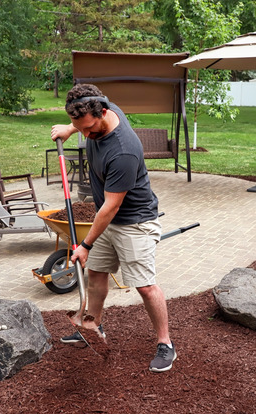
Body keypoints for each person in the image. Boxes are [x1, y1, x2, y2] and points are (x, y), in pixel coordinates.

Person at [50, 83, 176, 373]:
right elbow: (82, 122)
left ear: (103, 113)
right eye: (78, 128)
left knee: (144, 286)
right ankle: (92, 327)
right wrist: (71, 130)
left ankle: (166, 344)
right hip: (107, 219)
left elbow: (110, 207)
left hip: (134, 221)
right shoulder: (96, 107)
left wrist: (85, 244)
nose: (86, 135)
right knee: (95, 274)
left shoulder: (124, 151)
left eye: (89, 130)